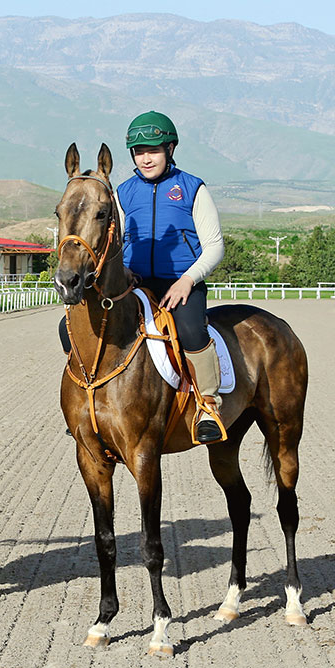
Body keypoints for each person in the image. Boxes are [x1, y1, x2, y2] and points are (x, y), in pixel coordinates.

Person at [62, 111, 225, 442]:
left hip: (181, 285)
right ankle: (90, 398)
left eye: (153, 150)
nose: (146, 158)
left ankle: (208, 405)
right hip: (133, 284)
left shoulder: (193, 188)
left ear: (170, 149)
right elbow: (111, 240)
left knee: (193, 332)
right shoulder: (122, 192)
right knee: (68, 329)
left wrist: (187, 281)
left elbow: (214, 247)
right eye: (139, 152)